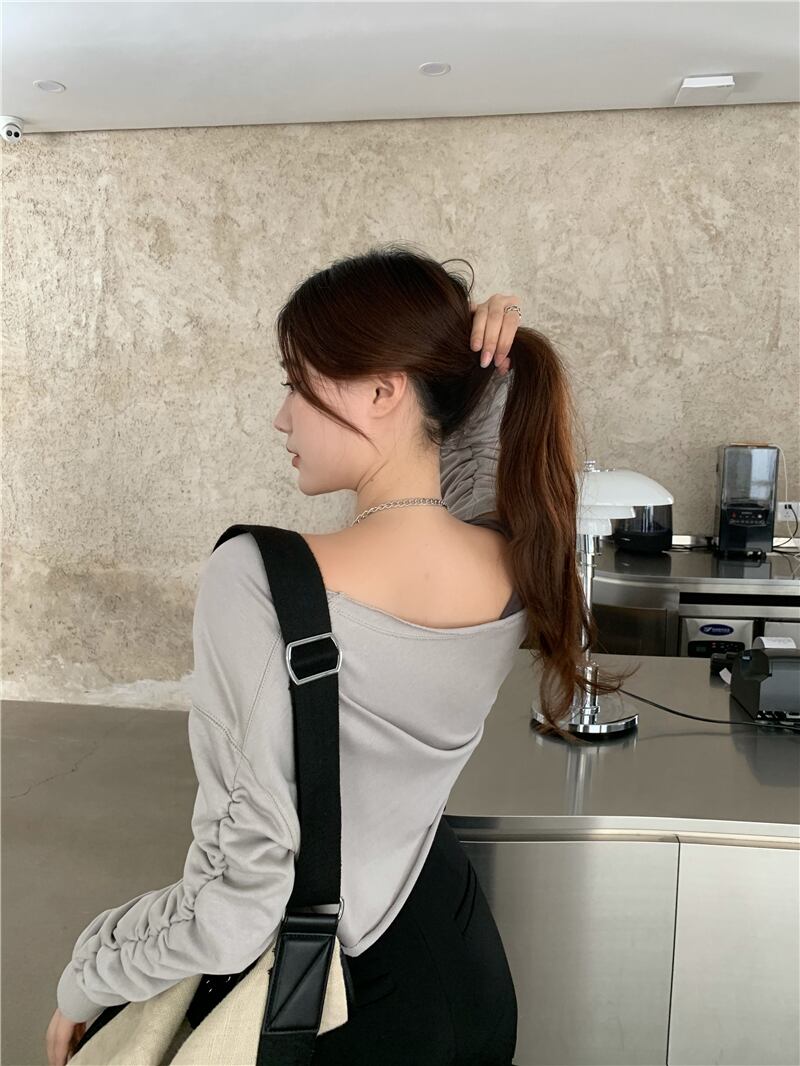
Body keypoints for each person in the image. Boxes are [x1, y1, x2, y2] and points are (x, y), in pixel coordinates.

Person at [49, 244, 630, 1066]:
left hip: (339, 1012)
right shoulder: (506, 564)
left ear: (385, 390)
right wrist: (478, 370)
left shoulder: (260, 579)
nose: (281, 416)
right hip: (463, 968)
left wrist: (89, 974)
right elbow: (467, 469)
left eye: (298, 382)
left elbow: (235, 907)